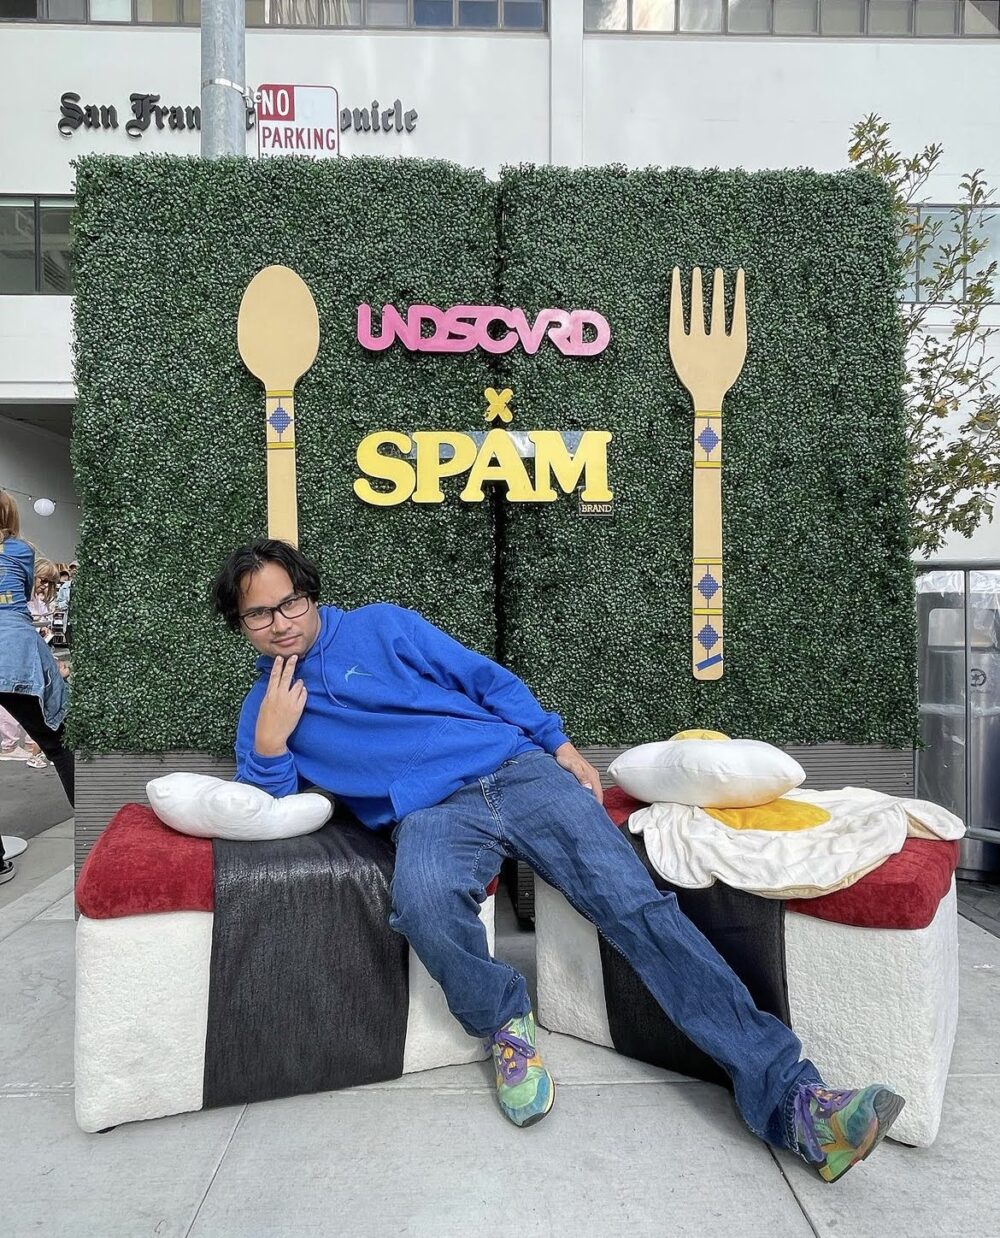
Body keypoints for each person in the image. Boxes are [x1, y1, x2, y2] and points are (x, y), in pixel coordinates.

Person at [211, 538, 904, 1185]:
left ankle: (791, 1101)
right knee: (421, 903)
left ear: (311, 594)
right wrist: (271, 741)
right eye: (258, 614)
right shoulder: (260, 709)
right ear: (240, 626)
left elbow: (483, 679)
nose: (280, 623)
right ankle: (505, 1024)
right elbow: (268, 805)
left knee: (635, 907)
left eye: (289, 602)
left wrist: (559, 746)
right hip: (431, 815)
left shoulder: (382, 626)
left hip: (517, 770)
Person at [0, 491, 75, 885]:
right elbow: (25, 592)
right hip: (14, 650)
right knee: (58, 742)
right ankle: (95, 831)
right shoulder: (19, 550)